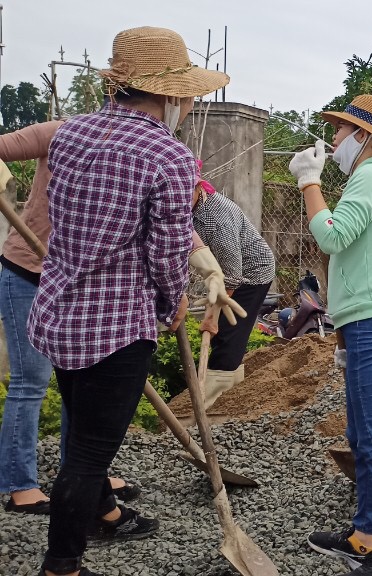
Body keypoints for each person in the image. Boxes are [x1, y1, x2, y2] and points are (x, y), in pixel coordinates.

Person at [24, 26, 230, 576]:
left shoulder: (71, 135)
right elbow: (166, 254)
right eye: (185, 96)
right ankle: (61, 563)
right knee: (89, 453)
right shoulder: (168, 157)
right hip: (116, 324)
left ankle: (105, 514)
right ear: (170, 95)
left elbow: (64, 219)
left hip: (60, 312)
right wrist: (171, 305)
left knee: (82, 433)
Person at [289, 93, 372, 575]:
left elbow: (333, 237)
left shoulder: (370, 176)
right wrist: (344, 341)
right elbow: (356, 260)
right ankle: (365, 536)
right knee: (363, 435)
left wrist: (309, 182)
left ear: (365, 137)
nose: (334, 139)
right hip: (368, 324)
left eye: (341, 131)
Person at [0, 122, 152, 517]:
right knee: (30, 382)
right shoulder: (58, 132)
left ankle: (83, 474)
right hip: (29, 270)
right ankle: (19, 485)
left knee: (81, 380)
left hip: (77, 282)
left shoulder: (137, 149)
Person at [191, 166, 277, 407]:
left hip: (251, 275)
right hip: (229, 273)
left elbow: (231, 276)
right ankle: (229, 395)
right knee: (226, 337)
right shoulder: (190, 209)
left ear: (199, 187)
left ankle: (215, 403)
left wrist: (211, 316)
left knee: (228, 339)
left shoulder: (216, 218)